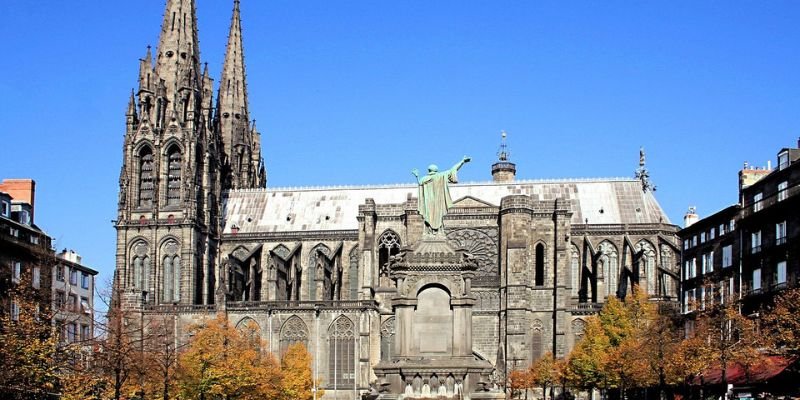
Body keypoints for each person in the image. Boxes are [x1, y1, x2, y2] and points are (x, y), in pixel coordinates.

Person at [412, 156, 470, 236]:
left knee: (429, 217)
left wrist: (417, 175)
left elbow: (419, 182)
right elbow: (453, 169)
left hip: (428, 203)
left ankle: (430, 232)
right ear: (436, 170)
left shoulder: (425, 178)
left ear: (429, 170)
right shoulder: (441, 176)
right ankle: (438, 232)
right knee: (438, 217)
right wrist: (462, 161)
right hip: (439, 202)